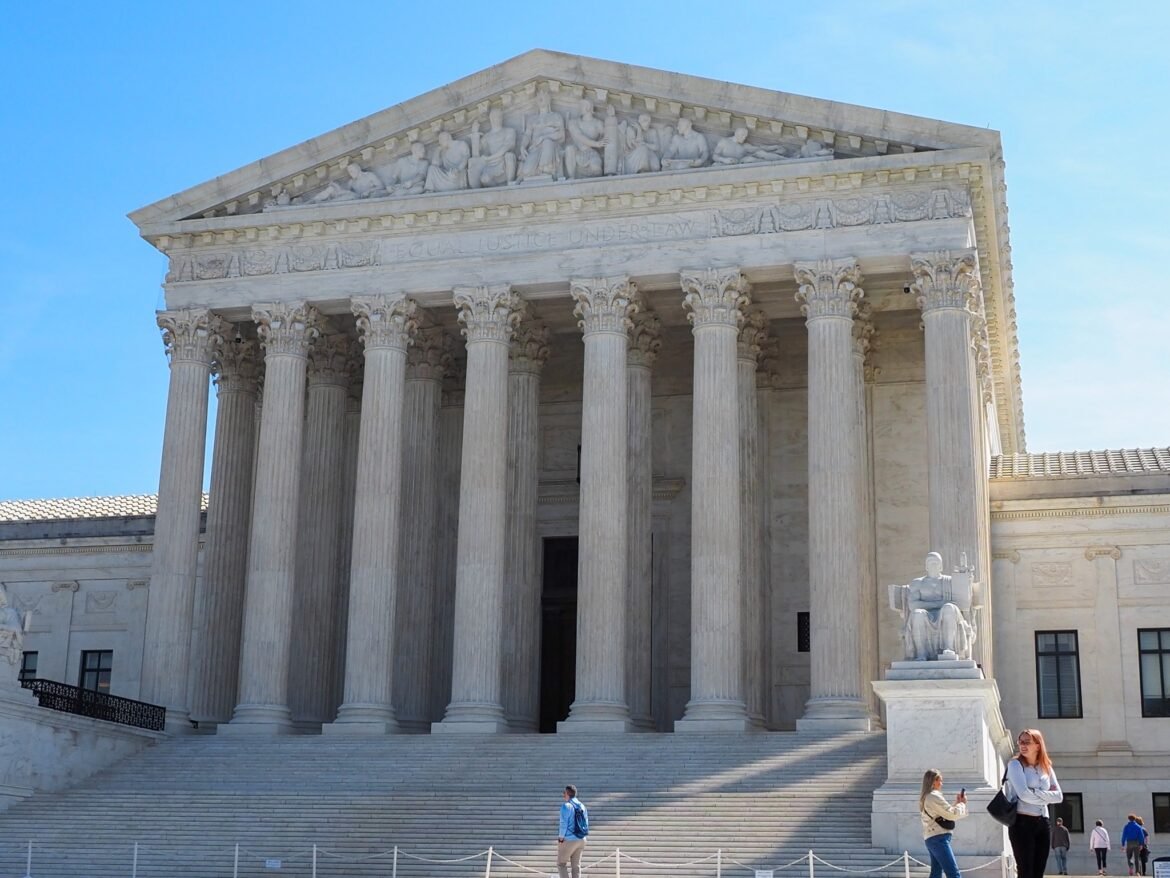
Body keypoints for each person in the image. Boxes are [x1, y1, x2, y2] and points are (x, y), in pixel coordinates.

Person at [1006, 729, 1063, 878]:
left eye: (1027, 742)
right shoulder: (1015, 765)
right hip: (1021, 823)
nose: (1023, 745)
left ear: (1038, 745)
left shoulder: (1046, 767)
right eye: (1020, 742)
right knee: (1025, 871)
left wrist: (1035, 792)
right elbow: (1023, 794)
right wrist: (1045, 796)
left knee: (1038, 872)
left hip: (1043, 823)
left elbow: (1059, 797)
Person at [904, 552, 976, 661]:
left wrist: (966, 579)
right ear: (926, 566)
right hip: (925, 615)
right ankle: (921, 653)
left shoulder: (951, 581)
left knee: (949, 608)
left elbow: (963, 600)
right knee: (917, 614)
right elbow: (913, 605)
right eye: (930, 562)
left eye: (936, 563)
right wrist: (937, 603)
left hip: (949, 614)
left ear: (941, 566)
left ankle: (948, 648)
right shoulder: (918, 583)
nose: (933, 565)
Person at [919, 769, 967, 878]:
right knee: (953, 873)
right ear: (933, 781)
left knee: (936, 874)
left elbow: (943, 813)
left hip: (932, 838)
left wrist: (957, 803)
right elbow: (951, 814)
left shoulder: (927, 797)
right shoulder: (933, 796)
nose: (942, 784)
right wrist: (962, 804)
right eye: (940, 780)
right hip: (938, 839)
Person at [557, 784, 588, 878]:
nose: (563, 795)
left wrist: (561, 838)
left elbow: (563, 824)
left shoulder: (566, 806)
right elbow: (586, 823)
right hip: (581, 839)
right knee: (576, 867)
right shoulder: (582, 806)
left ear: (567, 793)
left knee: (561, 864)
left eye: (564, 793)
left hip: (569, 839)